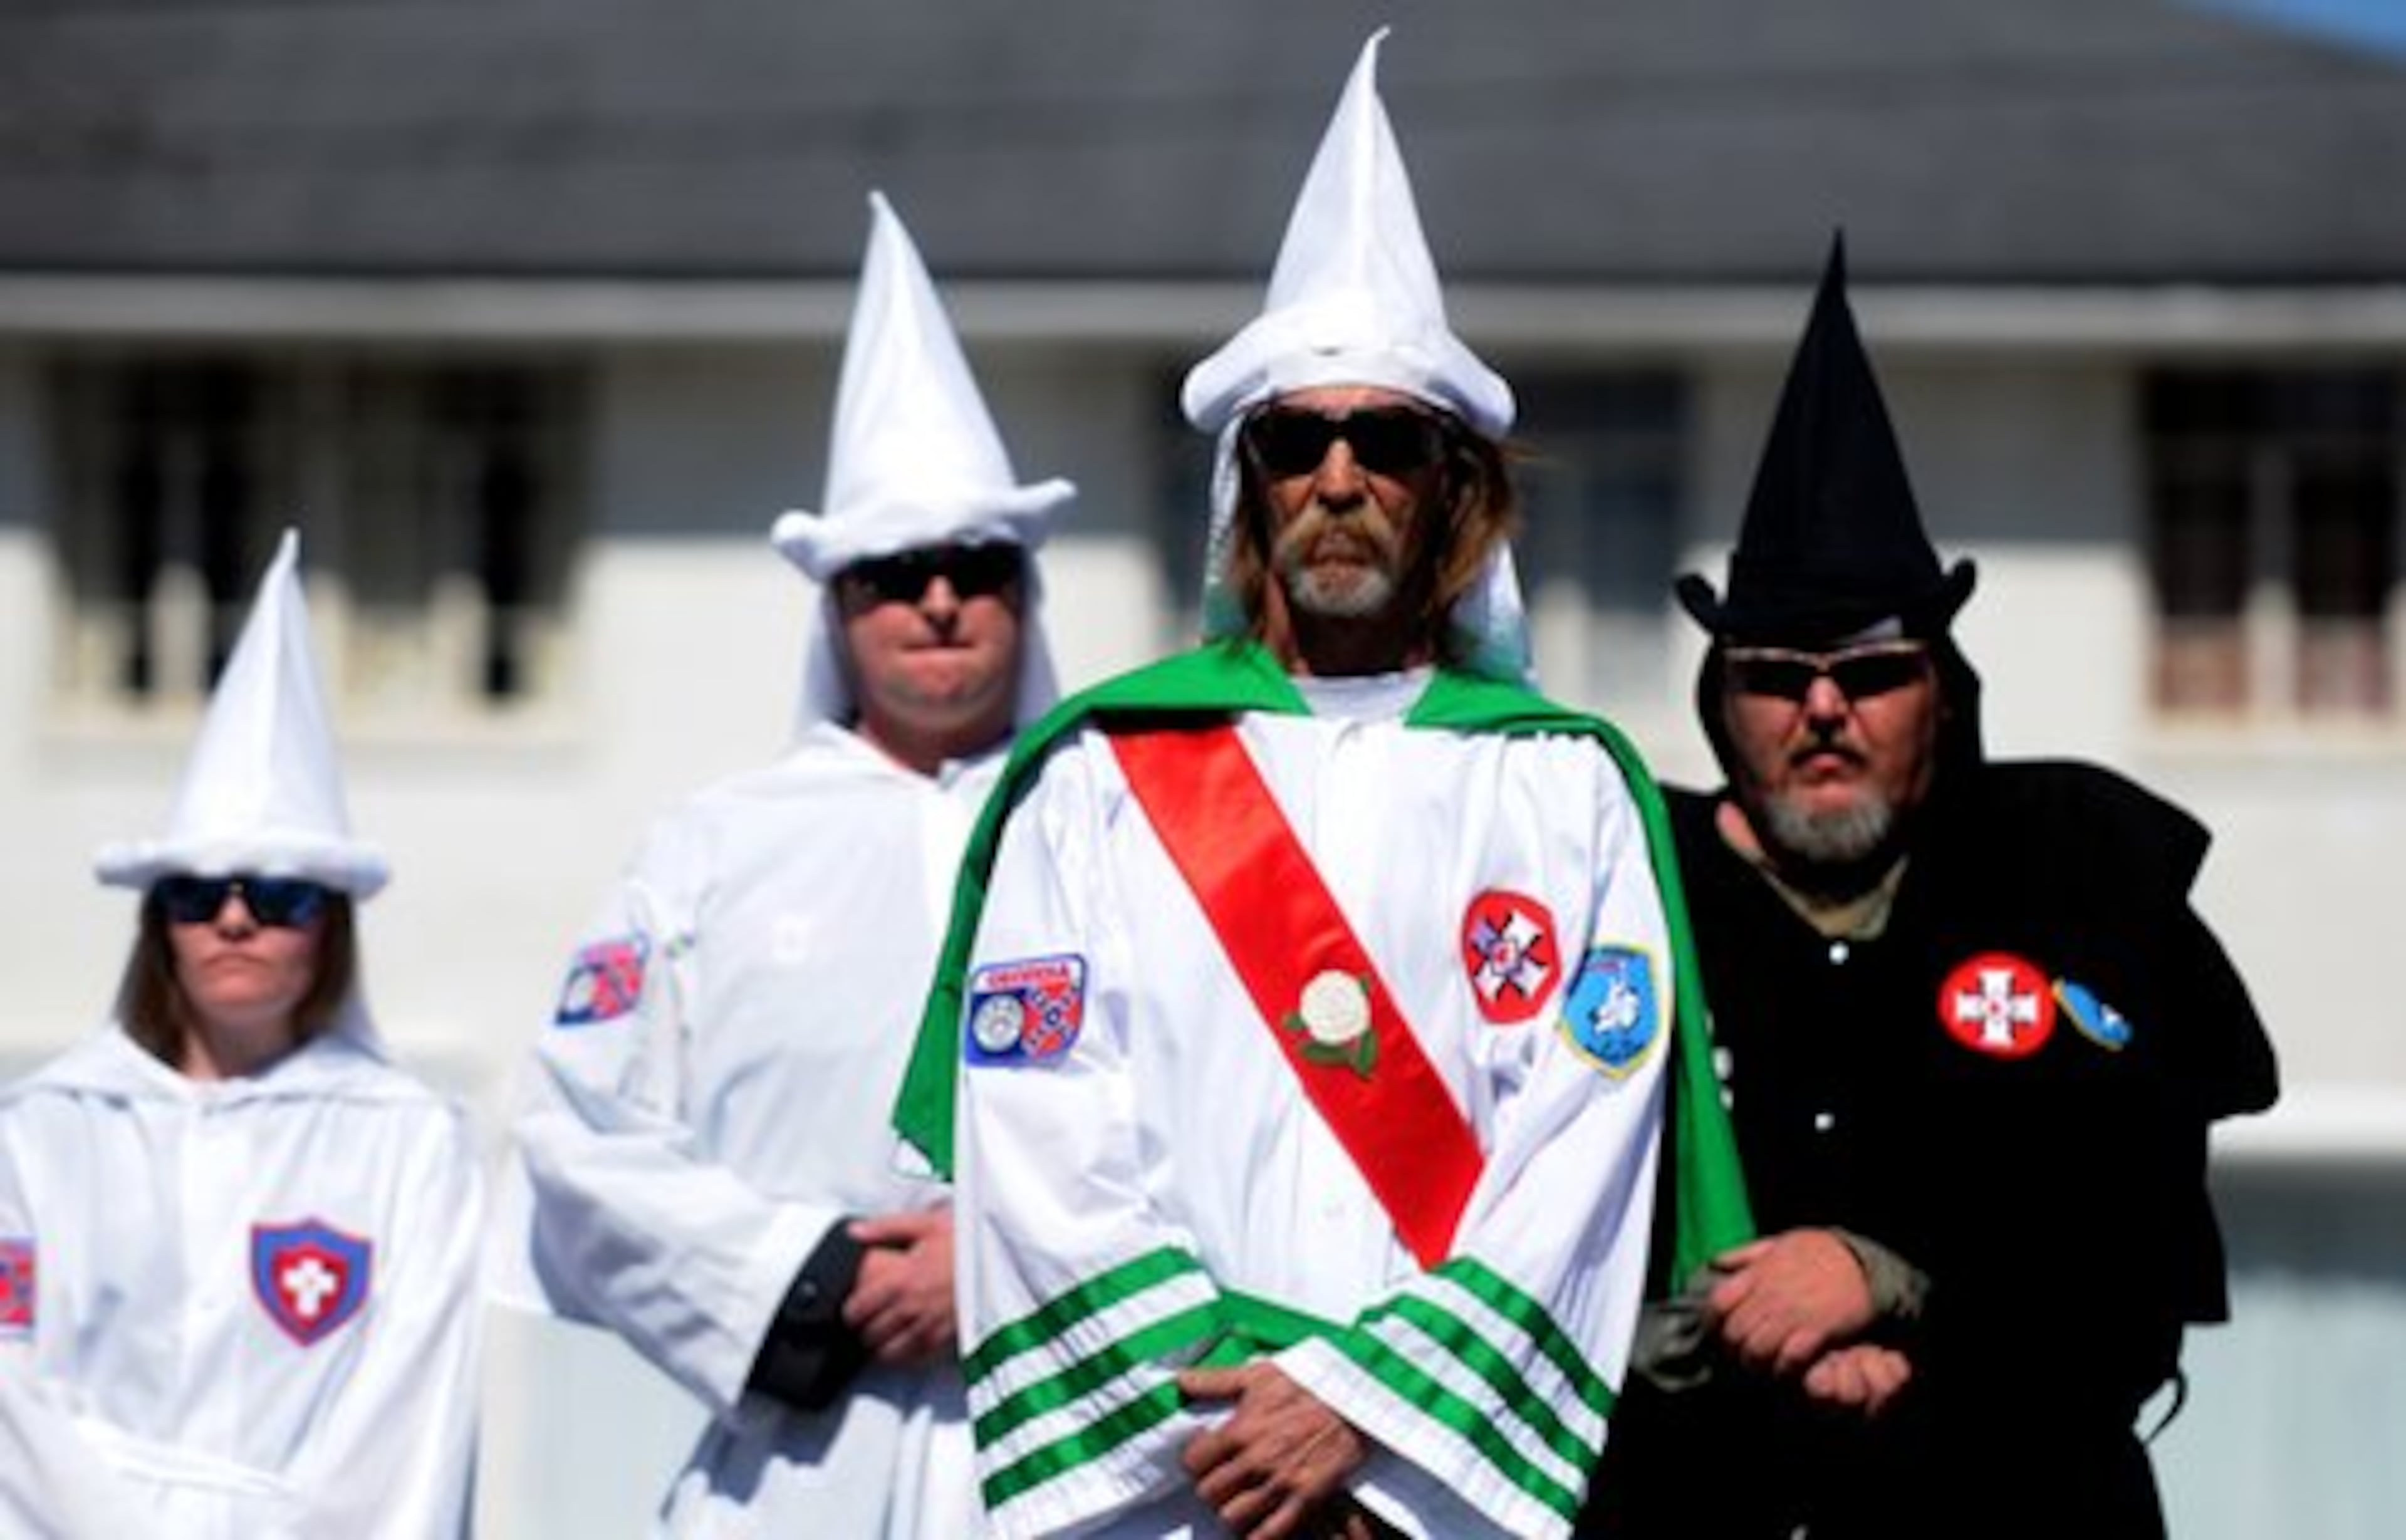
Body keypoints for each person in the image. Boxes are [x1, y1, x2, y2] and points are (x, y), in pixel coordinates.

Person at [892, 32, 1748, 1540]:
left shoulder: (1571, 789)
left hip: (1432, 1500)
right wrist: (1240, 1417)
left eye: (1389, 441)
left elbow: (1586, 1147)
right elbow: (1038, 1132)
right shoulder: (1097, 773)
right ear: (1250, 484)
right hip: (1173, 1485)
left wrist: (1368, 1419)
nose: (1341, 476)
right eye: (1298, 439)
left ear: (1454, 495)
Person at [1580, 239, 2280, 1539]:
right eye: (1781, 673)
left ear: (1941, 691)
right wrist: (1728, 1331)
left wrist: (1892, 1283)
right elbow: (1525, 1223)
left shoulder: (2084, 878)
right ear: (1722, 701)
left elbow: (2145, 1244)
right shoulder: (1621, 891)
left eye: (1874, 671)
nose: (1826, 709)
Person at [494, 190, 1075, 1537]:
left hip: (1066, 1438)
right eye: (897, 571)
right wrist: (806, 1280)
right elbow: (578, 1127)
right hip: (800, 1452)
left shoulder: (1120, 824)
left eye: (978, 566)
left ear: (1022, 593)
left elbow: (1210, 1121)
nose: (940, 598)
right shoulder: (714, 845)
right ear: (838, 604)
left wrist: (995, 1268)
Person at [0, 530, 484, 1537]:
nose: (233, 920)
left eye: (277, 894)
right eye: (197, 893)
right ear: (158, 920)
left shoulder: (408, 1142)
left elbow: (413, 1411)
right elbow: (14, 1394)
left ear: (331, 923)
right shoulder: (42, 1132)